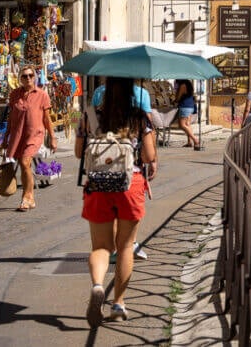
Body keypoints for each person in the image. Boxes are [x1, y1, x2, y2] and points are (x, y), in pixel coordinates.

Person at [76, 77, 157, 326]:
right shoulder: (139, 117)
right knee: (125, 246)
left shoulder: (90, 115)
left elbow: (80, 153)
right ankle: (119, 303)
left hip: (98, 185)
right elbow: (149, 155)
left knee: (100, 246)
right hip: (129, 185)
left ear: (106, 89)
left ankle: (98, 285)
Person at [2, 65, 55, 212]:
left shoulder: (42, 95)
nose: (28, 78)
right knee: (25, 165)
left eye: (30, 75)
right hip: (18, 134)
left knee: (25, 162)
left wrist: (52, 137)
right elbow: (11, 118)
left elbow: (47, 118)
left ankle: (26, 197)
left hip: (35, 134)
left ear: (35, 77)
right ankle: (30, 197)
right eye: (24, 76)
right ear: (20, 78)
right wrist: (6, 138)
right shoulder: (14, 94)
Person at [174, 79, 200, 149]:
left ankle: (195, 140)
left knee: (182, 125)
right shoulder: (189, 84)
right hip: (190, 105)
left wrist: (175, 98)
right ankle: (189, 142)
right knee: (188, 124)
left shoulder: (182, 85)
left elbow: (178, 97)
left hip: (185, 106)